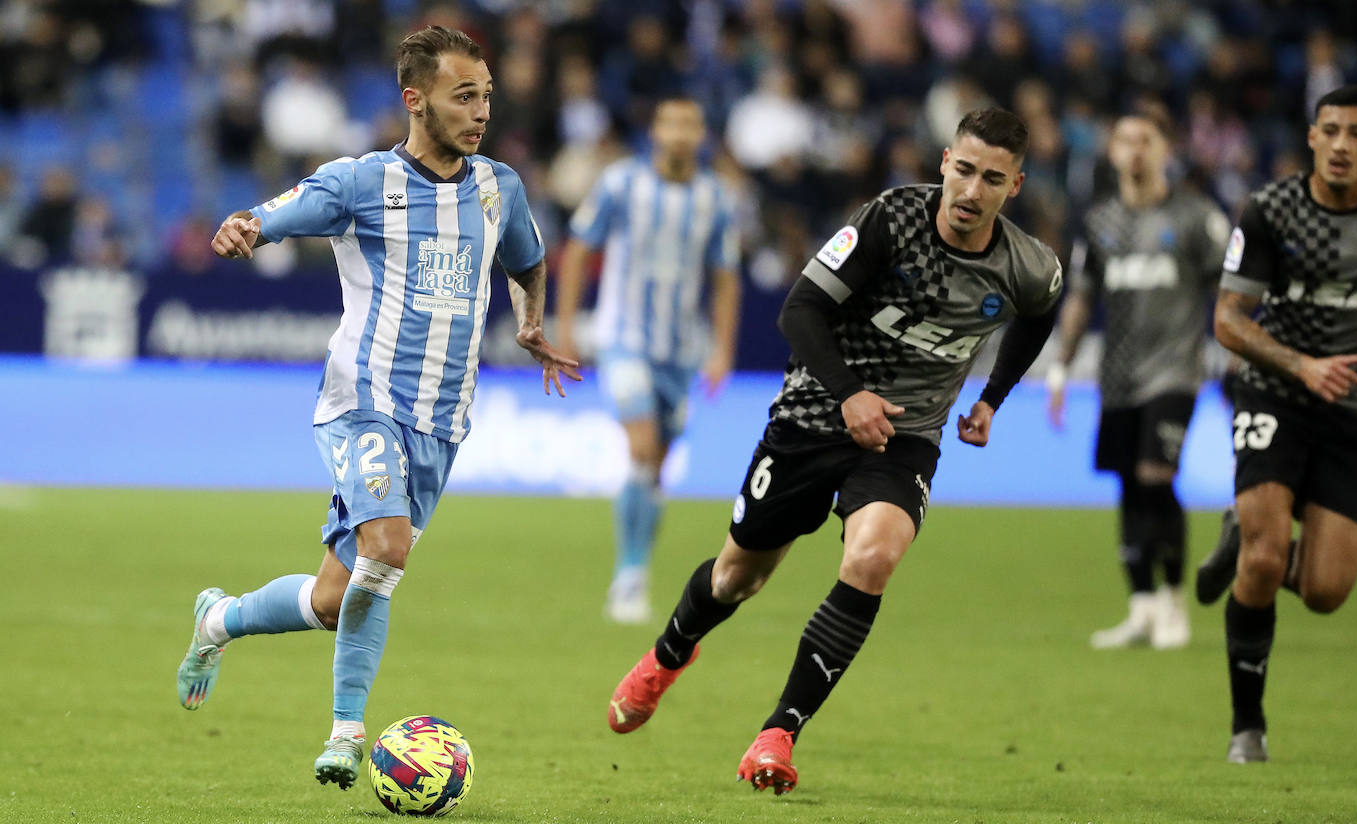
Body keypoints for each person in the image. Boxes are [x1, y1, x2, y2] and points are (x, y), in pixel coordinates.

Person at [604, 108, 1062, 794]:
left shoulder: (1029, 264)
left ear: (1014, 185)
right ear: (944, 162)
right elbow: (800, 309)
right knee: (738, 577)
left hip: (905, 436)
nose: (971, 191)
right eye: (963, 171)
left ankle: (778, 734)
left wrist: (993, 396)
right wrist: (850, 393)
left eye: (991, 179)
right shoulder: (889, 220)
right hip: (814, 415)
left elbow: (1038, 315)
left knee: (873, 557)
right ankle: (669, 654)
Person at [176, 26, 580, 789]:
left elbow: (527, 258)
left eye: (486, 96)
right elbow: (279, 213)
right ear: (414, 99)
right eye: (465, 96)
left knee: (336, 598)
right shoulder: (361, 181)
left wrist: (531, 322)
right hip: (363, 401)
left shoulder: (500, 187)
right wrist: (247, 226)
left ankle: (217, 620)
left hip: (442, 422)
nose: (480, 111)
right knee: (386, 549)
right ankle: (346, 733)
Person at [1192, 84, 1357, 763]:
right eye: (1331, 130)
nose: (1342, 145)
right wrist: (1301, 366)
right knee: (1267, 560)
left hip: (1355, 410)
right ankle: (1248, 727)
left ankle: (1243, 535)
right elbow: (1229, 320)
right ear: (1311, 138)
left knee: (1327, 592)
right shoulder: (1272, 211)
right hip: (1277, 393)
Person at [1047, 107, 1230, 650]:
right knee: (1129, 481)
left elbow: (1232, 288)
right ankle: (1142, 608)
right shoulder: (1100, 223)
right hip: (1117, 377)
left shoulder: (1198, 217)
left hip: (1175, 371)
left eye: (1146, 139)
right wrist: (1061, 366)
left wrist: (1237, 350)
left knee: (1155, 474)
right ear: (1112, 151)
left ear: (1165, 150)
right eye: (1125, 139)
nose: (1135, 149)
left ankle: (1175, 602)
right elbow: (1081, 296)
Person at [557, 97, 741, 623]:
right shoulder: (620, 184)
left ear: (701, 133)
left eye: (690, 123)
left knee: (656, 466)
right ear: (656, 131)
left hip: (681, 350)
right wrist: (566, 328)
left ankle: (635, 568)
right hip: (624, 339)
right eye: (671, 123)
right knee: (641, 449)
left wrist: (722, 350)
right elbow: (577, 250)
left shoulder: (715, 198)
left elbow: (725, 278)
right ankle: (630, 576)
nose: (681, 133)